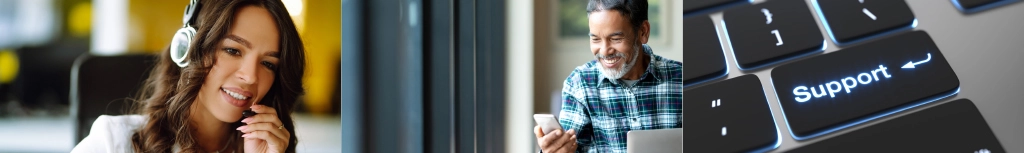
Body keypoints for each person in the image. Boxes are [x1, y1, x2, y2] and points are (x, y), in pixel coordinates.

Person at [71, 0, 306, 152]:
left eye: (268, 63)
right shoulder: (114, 142)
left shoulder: (269, 149)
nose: (251, 76)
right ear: (189, 47)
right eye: (232, 50)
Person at [533, 0, 681, 152]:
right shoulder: (579, 84)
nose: (604, 51)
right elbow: (568, 148)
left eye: (616, 39)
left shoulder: (681, 79)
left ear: (643, 32)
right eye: (595, 39)